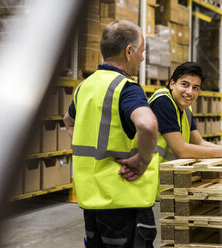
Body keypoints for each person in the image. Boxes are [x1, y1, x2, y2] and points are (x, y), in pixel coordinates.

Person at [63, 20, 159, 248]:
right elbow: (147, 124)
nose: (142, 58)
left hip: (92, 205)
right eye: (141, 51)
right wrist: (142, 160)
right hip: (124, 202)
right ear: (129, 51)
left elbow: (68, 121)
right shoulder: (126, 87)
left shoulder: (84, 87)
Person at [149, 61, 222, 163]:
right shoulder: (163, 102)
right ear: (172, 84)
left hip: (164, 174)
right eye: (185, 85)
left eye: (195, 88)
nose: (190, 92)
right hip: (146, 173)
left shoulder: (185, 108)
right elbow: (181, 150)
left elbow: (198, 142)